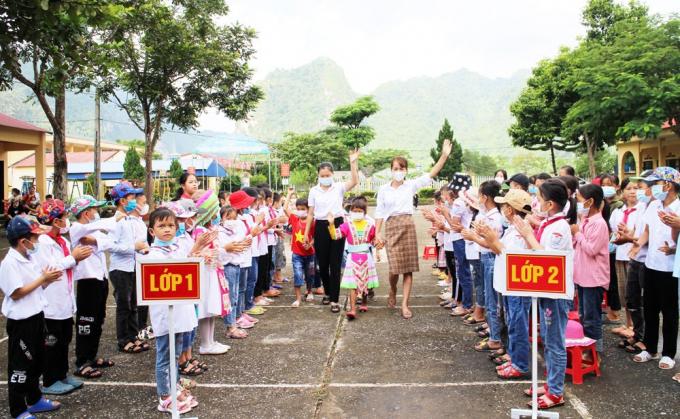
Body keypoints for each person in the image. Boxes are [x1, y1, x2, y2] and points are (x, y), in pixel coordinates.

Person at [140, 207, 209, 414]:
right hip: (165, 315)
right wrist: (195, 249)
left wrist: (196, 250)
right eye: (161, 226)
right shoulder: (152, 255)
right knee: (164, 356)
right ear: (152, 231)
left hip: (181, 312)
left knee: (176, 352)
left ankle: (175, 386)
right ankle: (165, 396)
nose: (167, 230)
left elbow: (187, 265)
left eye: (171, 225)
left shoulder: (177, 247)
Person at [514, 178, 573, 409]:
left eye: (538, 199)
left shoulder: (559, 227)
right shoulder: (550, 223)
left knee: (555, 343)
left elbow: (549, 260)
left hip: (557, 294)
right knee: (547, 340)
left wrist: (529, 234)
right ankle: (550, 384)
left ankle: (556, 391)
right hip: (546, 290)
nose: (535, 204)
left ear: (550, 204)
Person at [375, 141, 452, 319]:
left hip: (408, 226)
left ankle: (405, 304)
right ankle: (393, 290)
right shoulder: (383, 189)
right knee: (394, 268)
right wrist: (378, 232)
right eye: (395, 168)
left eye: (401, 168)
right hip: (392, 226)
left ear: (406, 170)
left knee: (408, 269)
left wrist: (444, 156)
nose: (398, 171)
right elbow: (379, 212)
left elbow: (432, 173)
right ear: (391, 170)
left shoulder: (411, 185)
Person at [1, 217, 63, 419]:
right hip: (21, 323)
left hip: (37, 316)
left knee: (37, 362)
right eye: (34, 237)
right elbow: (16, 293)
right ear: (23, 241)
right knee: (21, 367)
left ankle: (35, 399)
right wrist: (42, 279)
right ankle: (18, 409)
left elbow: (36, 287)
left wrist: (47, 280)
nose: (37, 241)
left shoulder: (29, 257)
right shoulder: (9, 263)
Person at [30, 200, 93, 395]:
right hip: (51, 303)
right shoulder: (42, 243)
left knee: (65, 339)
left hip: (65, 300)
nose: (67, 220)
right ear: (56, 221)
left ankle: (62, 374)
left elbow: (68, 265)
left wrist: (75, 259)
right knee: (52, 342)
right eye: (64, 217)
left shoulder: (63, 241)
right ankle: (49, 380)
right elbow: (51, 269)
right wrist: (73, 258)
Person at [473, 188, 534, 379]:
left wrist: (490, 239)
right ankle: (514, 358)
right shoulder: (514, 229)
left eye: (505, 206)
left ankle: (520, 364)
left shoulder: (520, 231)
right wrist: (487, 237)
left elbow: (510, 256)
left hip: (518, 285)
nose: (503, 209)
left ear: (510, 209)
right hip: (510, 283)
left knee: (518, 324)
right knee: (513, 322)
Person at [632, 167, 680, 370]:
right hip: (651, 264)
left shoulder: (679, 207)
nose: (651, 188)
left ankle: (669, 353)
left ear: (667, 185)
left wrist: (674, 247)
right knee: (649, 308)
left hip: (670, 268)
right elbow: (648, 230)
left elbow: (676, 237)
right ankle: (650, 348)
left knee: (669, 312)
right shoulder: (653, 206)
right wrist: (637, 245)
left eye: (654, 184)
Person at [70, 195, 121, 379]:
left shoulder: (92, 229)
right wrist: (113, 220)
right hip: (87, 280)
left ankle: (91, 356)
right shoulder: (77, 228)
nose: (97, 212)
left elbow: (107, 242)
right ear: (86, 212)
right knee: (86, 322)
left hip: (100, 278)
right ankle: (82, 361)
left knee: (98, 320)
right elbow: (100, 230)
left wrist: (95, 241)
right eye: (94, 209)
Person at [304, 149, 360, 313]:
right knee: (322, 264)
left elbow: (354, 181)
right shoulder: (314, 191)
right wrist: (307, 233)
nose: (325, 177)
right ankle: (327, 292)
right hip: (320, 226)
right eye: (323, 175)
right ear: (318, 175)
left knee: (335, 264)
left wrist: (353, 162)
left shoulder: (339, 187)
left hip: (337, 224)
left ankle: (335, 300)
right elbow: (310, 213)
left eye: (328, 174)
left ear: (332, 174)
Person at [108, 181, 150, 354]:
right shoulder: (116, 221)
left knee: (133, 303)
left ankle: (133, 336)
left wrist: (143, 249)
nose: (135, 200)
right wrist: (133, 247)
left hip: (133, 266)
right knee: (124, 305)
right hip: (120, 268)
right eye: (132, 197)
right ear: (122, 201)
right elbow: (110, 246)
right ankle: (123, 339)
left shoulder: (131, 220)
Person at [462, 181, 503, 352]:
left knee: (492, 300)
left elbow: (490, 244)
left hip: (490, 258)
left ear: (485, 197)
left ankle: (495, 338)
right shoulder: (489, 215)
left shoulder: (494, 218)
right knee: (489, 297)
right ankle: (493, 332)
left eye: (479, 196)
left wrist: (473, 237)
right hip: (486, 257)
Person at [191, 190, 230, 355]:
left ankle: (211, 341)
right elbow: (202, 252)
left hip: (213, 272)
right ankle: (206, 343)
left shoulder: (210, 228)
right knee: (206, 308)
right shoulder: (200, 231)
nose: (217, 212)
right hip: (206, 274)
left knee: (212, 309)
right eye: (215, 209)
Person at [572, 184, 610, 355]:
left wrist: (578, 234)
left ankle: (596, 352)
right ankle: (587, 349)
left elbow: (592, 249)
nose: (577, 203)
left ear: (590, 201)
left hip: (593, 279)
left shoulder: (599, 224)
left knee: (592, 318)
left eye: (579, 199)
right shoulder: (585, 221)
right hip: (582, 276)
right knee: (583, 315)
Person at [329, 196, 379, 319]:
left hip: (366, 257)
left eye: (360, 211)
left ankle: (364, 302)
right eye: (355, 211)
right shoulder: (347, 225)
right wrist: (331, 224)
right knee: (353, 284)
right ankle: (352, 309)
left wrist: (380, 244)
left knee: (365, 282)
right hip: (352, 258)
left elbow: (374, 242)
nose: (357, 213)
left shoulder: (370, 225)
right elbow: (335, 236)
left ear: (365, 212)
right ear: (351, 211)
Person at [609, 178, 639, 340]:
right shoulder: (617, 213)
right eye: (629, 188)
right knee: (624, 292)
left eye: (636, 188)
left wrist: (628, 233)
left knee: (635, 293)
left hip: (636, 256)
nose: (633, 191)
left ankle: (636, 326)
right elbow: (614, 232)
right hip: (621, 254)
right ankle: (627, 324)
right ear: (622, 192)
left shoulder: (643, 210)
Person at [218, 205, 250, 339]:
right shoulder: (219, 232)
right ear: (221, 218)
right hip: (228, 266)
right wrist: (233, 248)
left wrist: (238, 246)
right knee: (229, 297)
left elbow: (240, 246)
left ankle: (234, 323)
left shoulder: (237, 230)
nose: (232, 220)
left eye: (234, 218)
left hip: (237, 265)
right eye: (228, 217)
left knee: (235, 295)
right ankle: (230, 327)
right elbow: (226, 250)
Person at [284, 188, 317, 306]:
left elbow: (316, 237)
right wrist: (288, 194)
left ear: (309, 210)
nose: (300, 211)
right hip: (297, 254)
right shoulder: (294, 219)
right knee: (298, 274)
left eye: (303, 209)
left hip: (310, 254)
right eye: (298, 209)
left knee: (310, 274)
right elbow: (285, 208)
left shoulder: (313, 221)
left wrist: (310, 244)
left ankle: (309, 291)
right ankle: (298, 298)